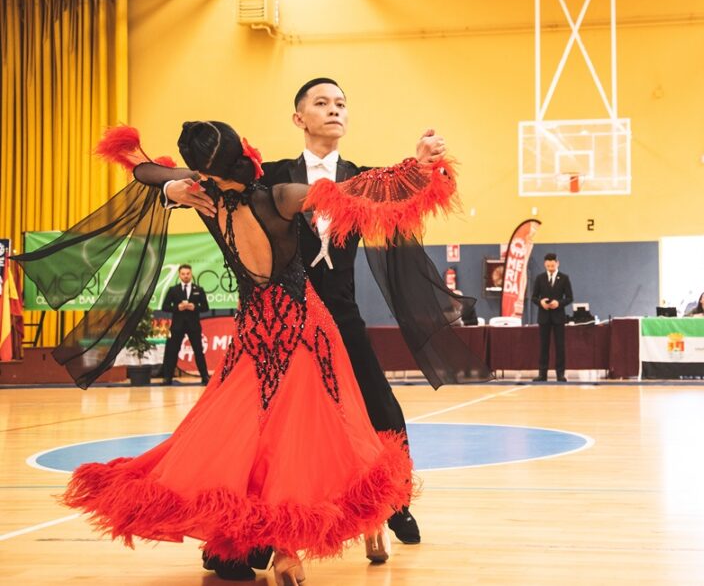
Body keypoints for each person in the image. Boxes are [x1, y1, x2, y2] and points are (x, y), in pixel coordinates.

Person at [16, 121, 476, 584]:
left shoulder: (202, 197)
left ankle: (248, 543)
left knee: (244, 439)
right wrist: (418, 166)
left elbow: (143, 168)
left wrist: (175, 184)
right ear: (244, 154)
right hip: (305, 332)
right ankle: (284, 546)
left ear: (205, 170)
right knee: (306, 440)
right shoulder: (280, 196)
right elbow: (361, 192)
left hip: (254, 336)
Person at [164, 78, 438, 570]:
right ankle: (264, 525)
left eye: (341, 103)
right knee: (277, 427)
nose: (334, 110)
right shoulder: (272, 177)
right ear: (299, 118)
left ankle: (395, 503)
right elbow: (213, 182)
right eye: (321, 103)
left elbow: (402, 188)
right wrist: (172, 189)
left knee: (382, 409)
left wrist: (420, 161)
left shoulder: (361, 176)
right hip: (285, 322)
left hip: (342, 314)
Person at [160, 264, 210, 385]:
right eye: (183, 274)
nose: (186, 276)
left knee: (198, 351)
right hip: (177, 325)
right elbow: (165, 307)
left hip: (193, 325)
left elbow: (205, 307)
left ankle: (205, 376)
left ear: (191, 274)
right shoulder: (173, 290)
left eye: (188, 273)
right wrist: (177, 307)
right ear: (179, 275)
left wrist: (195, 307)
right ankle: (167, 378)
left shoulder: (198, 289)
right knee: (172, 351)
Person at [530, 253, 573, 382]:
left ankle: (560, 374)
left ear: (557, 263)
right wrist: (541, 302)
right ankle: (542, 374)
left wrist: (559, 303)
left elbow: (570, 298)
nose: (550, 268)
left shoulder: (564, 278)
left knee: (560, 346)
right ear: (545, 264)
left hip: (558, 317)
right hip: (544, 317)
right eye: (548, 265)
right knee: (544, 346)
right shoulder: (540, 278)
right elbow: (534, 297)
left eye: (552, 265)